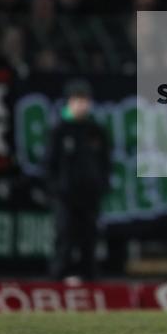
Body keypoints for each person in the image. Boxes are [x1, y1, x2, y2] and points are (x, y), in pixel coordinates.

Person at [45, 79, 111, 283]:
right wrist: (55, 189)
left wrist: (101, 185)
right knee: (64, 237)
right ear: (68, 103)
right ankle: (56, 281)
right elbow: (49, 164)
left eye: (85, 100)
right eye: (77, 100)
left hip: (90, 197)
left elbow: (105, 162)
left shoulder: (96, 131)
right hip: (65, 197)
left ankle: (91, 282)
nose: (81, 105)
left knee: (89, 241)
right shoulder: (59, 131)